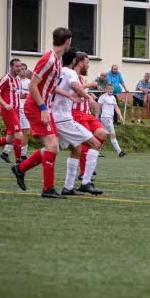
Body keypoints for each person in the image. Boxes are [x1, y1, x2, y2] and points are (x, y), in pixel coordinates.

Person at [10, 27, 76, 199]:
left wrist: (69, 95)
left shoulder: (58, 60)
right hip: (36, 107)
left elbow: (48, 85)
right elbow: (32, 85)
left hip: (44, 107)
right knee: (52, 146)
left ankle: (20, 168)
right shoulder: (49, 59)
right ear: (67, 41)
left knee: (53, 147)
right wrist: (43, 109)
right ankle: (47, 189)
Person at [51, 49, 103, 196]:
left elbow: (53, 88)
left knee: (74, 149)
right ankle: (86, 183)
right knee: (95, 144)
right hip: (64, 118)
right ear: (76, 62)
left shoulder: (59, 72)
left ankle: (68, 187)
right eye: (87, 63)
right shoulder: (71, 72)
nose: (88, 65)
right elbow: (75, 86)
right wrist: (89, 97)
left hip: (54, 116)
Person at [71, 52, 109, 180]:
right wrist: (88, 86)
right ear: (80, 63)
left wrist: (90, 96)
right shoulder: (71, 75)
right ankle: (83, 171)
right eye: (87, 63)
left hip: (87, 113)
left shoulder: (81, 77)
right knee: (86, 139)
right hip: (77, 113)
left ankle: (88, 164)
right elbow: (73, 89)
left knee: (102, 134)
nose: (88, 66)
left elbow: (80, 92)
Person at [0, 63, 32, 162]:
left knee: (22, 133)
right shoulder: (17, 80)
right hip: (19, 109)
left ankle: (6, 152)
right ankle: (22, 156)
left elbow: (31, 93)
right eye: (21, 69)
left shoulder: (28, 81)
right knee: (23, 133)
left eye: (24, 69)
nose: (23, 71)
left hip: (26, 109)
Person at [98, 83, 127, 157]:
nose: (110, 90)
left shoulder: (113, 97)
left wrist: (120, 115)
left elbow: (116, 107)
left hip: (109, 118)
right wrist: (96, 117)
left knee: (103, 135)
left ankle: (97, 151)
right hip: (106, 118)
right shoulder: (103, 97)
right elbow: (98, 107)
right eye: (109, 89)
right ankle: (119, 152)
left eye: (111, 89)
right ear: (106, 89)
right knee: (113, 134)